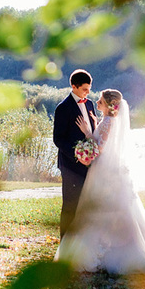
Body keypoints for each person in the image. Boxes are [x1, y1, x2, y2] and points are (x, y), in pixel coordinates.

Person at [55, 88, 145, 274]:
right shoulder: (108, 120)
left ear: (109, 105)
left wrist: (87, 132)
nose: (97, 102)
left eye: (100, 100)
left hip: (103, 172)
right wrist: (95, 124)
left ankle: (106, 251)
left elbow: (100, 147)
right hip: (107, 169)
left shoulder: (109, 122)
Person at [53, 69, 97, 237]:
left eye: (89, 89)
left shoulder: (90, 104)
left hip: (91, 165)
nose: (88, 92)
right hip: (71, 166)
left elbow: (93, 132)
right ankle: (65, 242)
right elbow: (58, 139)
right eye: (85, 89)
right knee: (70, 206)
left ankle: (82, 241)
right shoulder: (63, 108)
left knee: (88, 205)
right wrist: (78, 155)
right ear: (74, 86)